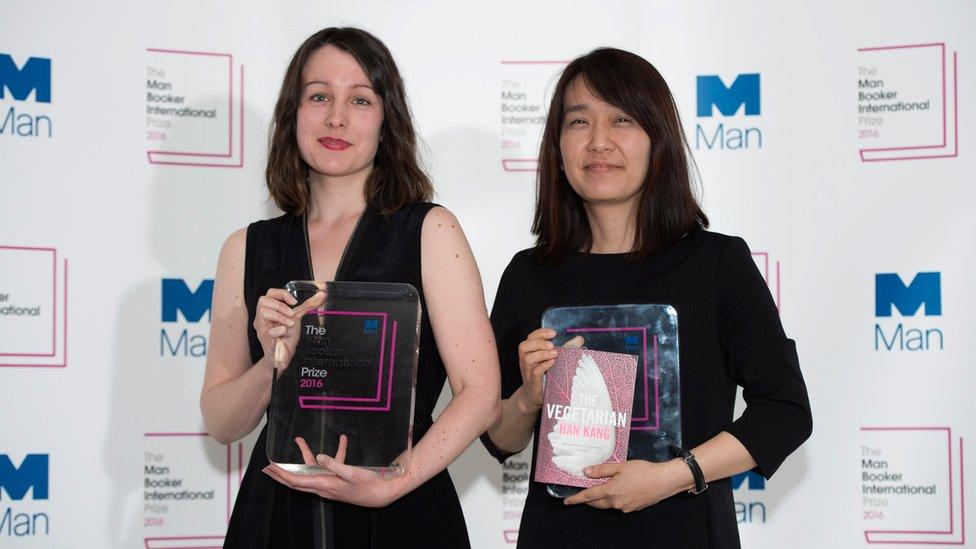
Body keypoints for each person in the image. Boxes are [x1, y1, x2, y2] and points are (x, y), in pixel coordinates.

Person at [482, 47, 812, 548]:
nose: (598, 141)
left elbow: (785, 411)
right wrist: (529, 397)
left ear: (658, 142)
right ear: (557, 146)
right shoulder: (529, 275)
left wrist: (673, 476)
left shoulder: (717, 264)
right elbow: (498, 439)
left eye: (622, 119)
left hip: (685, 530)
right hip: (559, 534)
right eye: (578, 121)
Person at [201, 27, 500, 548]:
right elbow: (223, 422)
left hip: (403, 513)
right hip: (277, 515)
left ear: (387, 120)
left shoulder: (430, 230)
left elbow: (481, 395)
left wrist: (394, 483)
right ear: (292, 113)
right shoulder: (245, 249)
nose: (336, 117)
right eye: (319, 96)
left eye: (360, 100)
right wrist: (274, 363)